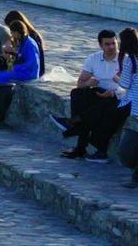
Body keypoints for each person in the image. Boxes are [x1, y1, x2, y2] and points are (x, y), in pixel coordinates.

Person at [53, 29, 131, 162]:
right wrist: (89, 82)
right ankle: (78, 139)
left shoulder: (125, 60)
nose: (111, 47)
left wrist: (114, 92)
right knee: (77, 94)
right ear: (101, 45)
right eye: (107, 44)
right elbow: (80, 83)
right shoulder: (94, 58)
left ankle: (73, 126)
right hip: (100, 92)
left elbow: (131, 87)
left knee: (105, 107)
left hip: (118, 96)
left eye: (114, 43)